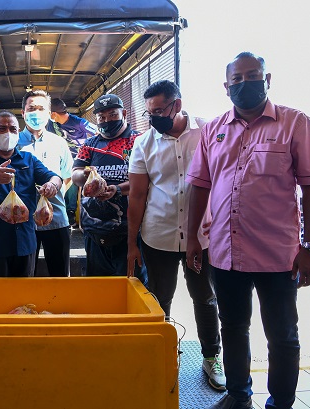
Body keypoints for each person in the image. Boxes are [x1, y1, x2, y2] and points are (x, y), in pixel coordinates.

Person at [186, 52, 310, 409]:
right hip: (225, 253)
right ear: (226, 86)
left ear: (267, 80)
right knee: (233, 328)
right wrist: (192, 238)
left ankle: (280, 403)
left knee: (282, 336)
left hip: (278, 256)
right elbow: (200, 186)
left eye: (252, 76)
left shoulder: (295, 123)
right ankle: (239, 396)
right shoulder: (213, 129)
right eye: (237, 79)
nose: (244, 83)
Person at [126, 80, 225, 391]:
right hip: (158, 235)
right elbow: (137, 195)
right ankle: (164, 353)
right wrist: (131, 244)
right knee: (160, 298)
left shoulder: (208, 131)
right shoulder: (144, 144)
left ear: (177, 105)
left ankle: (212, 357)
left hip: (203, 236)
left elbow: (224, 179)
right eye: (149, 112)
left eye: (158, 111)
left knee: (205, 297)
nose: (153, 118)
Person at [0, 111, 62, 277]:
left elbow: (54, 177)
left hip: (26, 243)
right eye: (2, 128)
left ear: (18, 132)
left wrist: (52, 185)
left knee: (24, 291)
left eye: (13, 129)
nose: (8, 133)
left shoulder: (28, 159)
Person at [71, 94, 146, 284]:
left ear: (124, 114)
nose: (107, 121)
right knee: (98, 286)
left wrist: (117, 189)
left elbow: (148, 179)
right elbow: (75, 175)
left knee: (131, 285)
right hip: (95, 230)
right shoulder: (90, 145)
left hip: (130, 231)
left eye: (112, 115)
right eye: (101, 117)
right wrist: (85, 175)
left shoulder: (139, 141)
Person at [18, 90, 73, 277]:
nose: (36, 113)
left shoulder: (59, 143)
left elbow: (67, 176)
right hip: (23, 223)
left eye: (41, 109)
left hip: (56, 220)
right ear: (23, 113)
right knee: (24, 276)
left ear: (49, 114)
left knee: (60, 276)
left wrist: (55, 191)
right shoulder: (13, 143)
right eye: (31, 108)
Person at [46, 98, 97, 226]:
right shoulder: (51, 124)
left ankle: (70, 211)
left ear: (54, 114)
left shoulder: (79, 122)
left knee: (72, 179)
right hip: (59, 157)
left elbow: (97, 132)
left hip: (77, 159)